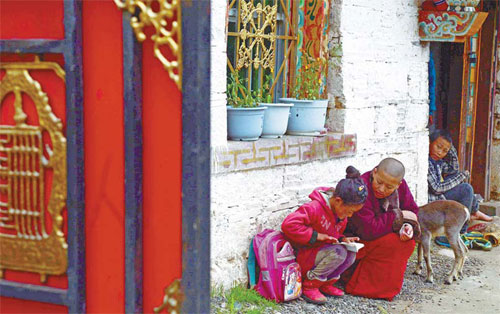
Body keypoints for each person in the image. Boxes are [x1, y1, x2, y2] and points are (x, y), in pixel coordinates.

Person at [281, 166, 368, 305]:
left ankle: (325, 283)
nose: (350, 216)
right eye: (349, 211)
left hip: (322, 254)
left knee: (350, 253)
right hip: (304, 254)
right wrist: (316, 236)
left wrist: (342, 239)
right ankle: (310, 285)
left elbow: (333, 233)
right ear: (338, 200)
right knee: (339, 253)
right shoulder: (314, 208)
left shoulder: (341, 215)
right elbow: (288, 225)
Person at [343, 157, 419, 301]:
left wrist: (407, 225)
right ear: (374, 172)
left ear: (398, 184)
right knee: (393, 242)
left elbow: (412, 210)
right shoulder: (361, 187)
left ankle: (384, 288)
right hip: (357, 240)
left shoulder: (400, 187)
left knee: (407, 242)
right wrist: (399, 216)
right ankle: (359, 285)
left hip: (380, 233)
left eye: (389, 187)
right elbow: (368, 229)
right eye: (378, 182)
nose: (382, 189)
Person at [428, 129, 492, 226]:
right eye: (438, 147)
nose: (440, 153)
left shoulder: (437, 163)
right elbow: (437, 188)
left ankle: (474, 211)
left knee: (456, 178)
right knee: (466, 189)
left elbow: (453, 169)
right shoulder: (427, 162)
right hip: (433, 203)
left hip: (439, 197)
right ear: (429, 142)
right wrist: (461, 176)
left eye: (445, 151)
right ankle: (462, 229)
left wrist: (450, 148)